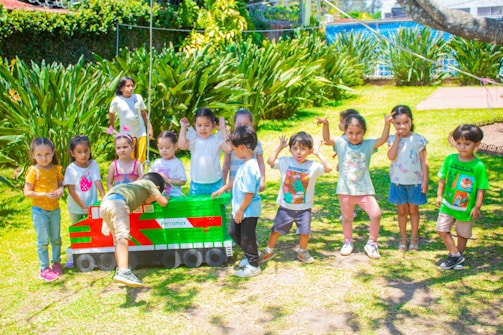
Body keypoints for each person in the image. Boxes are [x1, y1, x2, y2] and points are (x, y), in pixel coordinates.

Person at [318, 113, 392, 259]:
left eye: (358, 133)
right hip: (345, 190)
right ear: (345, 131)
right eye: (350, 133)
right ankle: (347, 241)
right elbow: (327, 139)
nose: (354, 136)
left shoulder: (368, 145)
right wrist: (326, 125)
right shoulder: (341, 143)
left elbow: (382, 140)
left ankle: (372, 243)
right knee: (347, 218)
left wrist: (387, 124)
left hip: (364, 190)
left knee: (376, 214)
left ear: (364, 132)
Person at [260, 131, 332, 264]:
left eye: (303, 149)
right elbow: (270, 161)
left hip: (304, 208)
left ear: (309, 151)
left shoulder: (313, 166)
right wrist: (279, 147)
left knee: (305, 233)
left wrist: (318, 154)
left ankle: (302, 251)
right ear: (290, 150)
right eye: (295, 148)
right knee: (275, 230)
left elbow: (329, 168)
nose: (299, 152)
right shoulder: (285, 161)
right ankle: (269, 251)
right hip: (285, 207)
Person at [100, 172, 168, 287]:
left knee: (117, 241)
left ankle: (120, 270)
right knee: (123, 236)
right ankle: (124, 272)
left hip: (105, 203)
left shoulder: (134, 186)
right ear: (156, 188)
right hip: (118, 204)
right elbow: (163, 203)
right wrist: (163, 197)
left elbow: (146, 201)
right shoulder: (150, 184)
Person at [436, 124, 488, 270]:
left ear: (476, 144)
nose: (462, 147)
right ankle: (455, 255)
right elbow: (442, 179)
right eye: (459, 143)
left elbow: (481, 188)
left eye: (467, 144)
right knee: (441, 229)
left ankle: (457, 258)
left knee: (462, 234)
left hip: (466, 208)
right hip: (447, 204)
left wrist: (477, 206)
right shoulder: (450, 159)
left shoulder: (478, 166)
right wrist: (439, 195)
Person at [212, 126, 262, 277]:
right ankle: (251, 252)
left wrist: (241, 210)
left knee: (247, 236)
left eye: (234, 149)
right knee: (234, 232)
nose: (233, 152)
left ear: (242, 148)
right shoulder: (244, 164)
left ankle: (254, 264)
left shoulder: (251, 167)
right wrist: (225, 187)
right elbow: (236, 180)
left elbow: (249, 192)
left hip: (248, 210)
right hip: (241, 209)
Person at [387, 105, 429, 252]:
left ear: (411, 121)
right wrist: (397, 140)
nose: (402, 126)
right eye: (398, 123)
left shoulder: (418, 139)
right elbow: (391, 156)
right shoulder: (392, 139)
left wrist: (425, 181)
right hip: (398, 182)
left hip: (415, 182)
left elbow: (424, 162)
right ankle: (403, 238)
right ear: (392, 124)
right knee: (402, 211)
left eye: (406, 122)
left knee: (414, 211)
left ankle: (414, 238)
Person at [23, 137, 64, 282]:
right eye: (39, 155)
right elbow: (27, 192)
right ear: (33, 155)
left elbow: (61, 185)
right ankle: (44, 267)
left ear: (53, 152)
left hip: (54, 210)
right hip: (39, 211)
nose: (44, 158)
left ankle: (56, 262)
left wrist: (60, 190)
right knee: (43, 240)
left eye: (47, 154)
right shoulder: (33, 171)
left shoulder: (56, 169)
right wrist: (44, 195)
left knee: (56, 239)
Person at [63, 135, 106, 267]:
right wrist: (82, 205)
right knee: (78, 231)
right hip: (76, 207)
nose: (83, 155)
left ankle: (93, 253)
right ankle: (73, 256)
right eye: (79, 152)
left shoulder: (93, 164)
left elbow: (97, 181)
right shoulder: (71, 169)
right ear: (72, 153)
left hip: (92, 205)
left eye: (86, 151)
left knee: (93, 230)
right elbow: (71, 190)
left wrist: (104, 196)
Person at [178, 107, 232, 195]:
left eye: (207, 125)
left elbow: (229, 148)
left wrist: (223, 128)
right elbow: (181, 145)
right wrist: (183, 128)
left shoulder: (217, 138)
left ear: (214, 125)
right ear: (195, 125)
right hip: (197, 185)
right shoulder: (193, 138)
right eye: (199, 125)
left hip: (216, 184)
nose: (203, 128)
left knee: (217, 208)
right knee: (198, 208)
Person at [108, 76, 153, 163]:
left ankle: (141, 175)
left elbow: (144, 114)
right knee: (129, 159)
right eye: (127, 86)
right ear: (121, 88)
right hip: (126, 133)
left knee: (141, 158)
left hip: (140, 131)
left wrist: (150, 128)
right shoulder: (116, 100)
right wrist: (111, 128)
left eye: (132, 86)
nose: (131, 88)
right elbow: (111, 114)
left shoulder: (138, 97)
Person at [222, 108, 266, 192]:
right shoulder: (231, 143)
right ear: (234, 125)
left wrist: (262, 180)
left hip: (251, 184)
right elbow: (225, 165)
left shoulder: (256, 143)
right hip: (234, 185)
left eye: (246, 124)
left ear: (252, 124)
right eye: (239, 124)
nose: (242, 127)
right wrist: (223, 184)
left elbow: (261, 163)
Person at [150, 131, 187, 197]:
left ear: (175, 146)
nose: (164, 150)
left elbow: (182, 181)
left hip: (174, 196)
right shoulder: (157, 162)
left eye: (167, 147)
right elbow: (150, 177)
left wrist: (168, 180)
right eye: (161, 148)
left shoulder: (177, 163)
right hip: (159, 197)